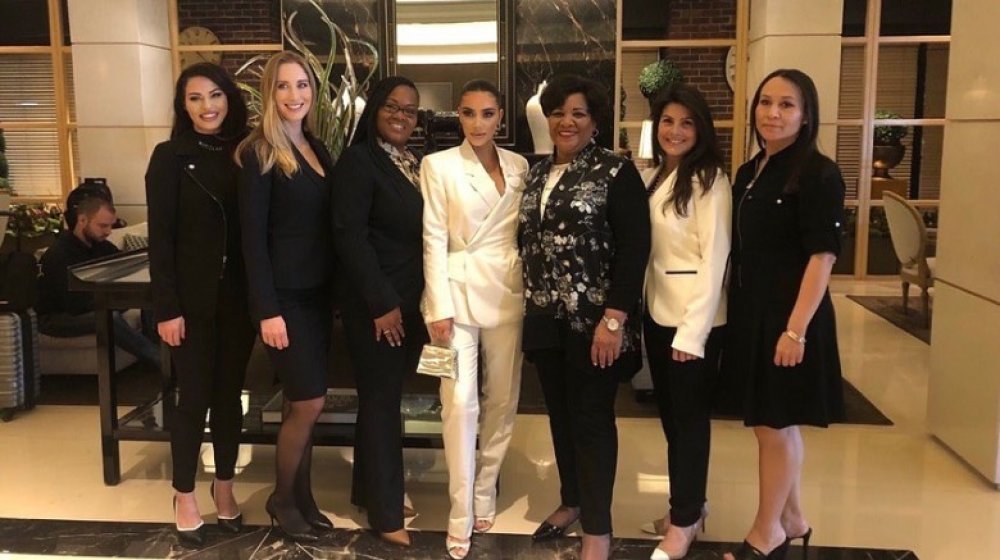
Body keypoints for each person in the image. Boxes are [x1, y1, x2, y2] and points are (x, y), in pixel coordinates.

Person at [517, 74, 650, 560]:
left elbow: (636, 250)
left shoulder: (616, 173)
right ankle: (572, 499)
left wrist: (614, 319)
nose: (566, 121)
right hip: (544, 316)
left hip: (595, 321)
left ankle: (598, 527)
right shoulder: (535, 173)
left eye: (578, 113)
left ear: (595, 121)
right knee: (560, 416)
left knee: (592, 420)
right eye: (557, 112)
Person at [722, 69, 846, 560]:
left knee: (776, 425)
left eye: (787, 105)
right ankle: (792, 517)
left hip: (791, 317)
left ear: (806, 113)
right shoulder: (752, 170)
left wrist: (796, 330)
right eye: (766, 102)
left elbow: (823, 257)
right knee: (771, 423)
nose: (773, 113)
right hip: (754, 313)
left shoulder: (818, 173)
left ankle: (765, 531)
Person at [145, 62, 256, 546]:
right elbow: (160, 239)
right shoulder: (169, 156)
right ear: (182, 105)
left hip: (240, 300)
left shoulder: (248, 151)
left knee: (231, 399)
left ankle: (225, 485)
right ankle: (185, 493)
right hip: (189, 303)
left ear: (229, 98)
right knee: (192, 400)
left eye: (215, 95)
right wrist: (166, 308)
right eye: (195, 98)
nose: (207, 106)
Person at [420, 79, 529, 560]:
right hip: (457, 294)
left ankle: (485, 491)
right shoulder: (438, 166)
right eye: (468, 114)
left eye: (487, 114)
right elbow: (433, 238)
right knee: (459, 403)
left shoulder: (520, 166)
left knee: (503, 399)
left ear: (501, 117)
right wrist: (436, 306)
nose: (478, 123)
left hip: (508, 291)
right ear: (457, 117)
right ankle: (459, 511)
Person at [236, 51, 335, 543]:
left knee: (306, 405)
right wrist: (267, 310)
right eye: (283, 86)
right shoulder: (259, 152)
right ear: (269, 93)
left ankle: (303, 497)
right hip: (286, 302)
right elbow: (251, 241)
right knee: (308, 402)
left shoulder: (316, 146)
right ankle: (281, 498)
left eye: (302, 85)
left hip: (318, 299)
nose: (294, 95)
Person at [330, 75, 426, 548]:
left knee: (379, 398)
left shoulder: (409, 161)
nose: (401, 116)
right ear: (375, 110)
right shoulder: (358, 161)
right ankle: (387, 514)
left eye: (410, 110)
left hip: (409, 302)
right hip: (377, 306)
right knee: (384, 403)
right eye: (393, 107)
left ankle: (367, 491)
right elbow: (349, 236)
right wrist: (382, 303)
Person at [639, 84, 732, 560]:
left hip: (691, 323)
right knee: (674, 424)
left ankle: (683, 521)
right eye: (668, 122)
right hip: (658, 312)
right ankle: (690, 510)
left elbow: (715, 259)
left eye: (687, 122)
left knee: (690, 424)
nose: (675, 131)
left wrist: (692, 334)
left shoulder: (711, 179)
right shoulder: (657, 175)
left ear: (702, 129)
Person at [37, 195, 160, 368]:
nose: (108, 231)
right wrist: (114, 301)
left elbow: (123, 262)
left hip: (87, 304)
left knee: (149, 297)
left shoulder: (99, 245)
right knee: (109, 316)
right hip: (57, 317)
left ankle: (161, 352)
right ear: (82, 220)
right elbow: (73, 304)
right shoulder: (59, 254)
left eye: (111, 226)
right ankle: (159, 359)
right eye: (103, 226)